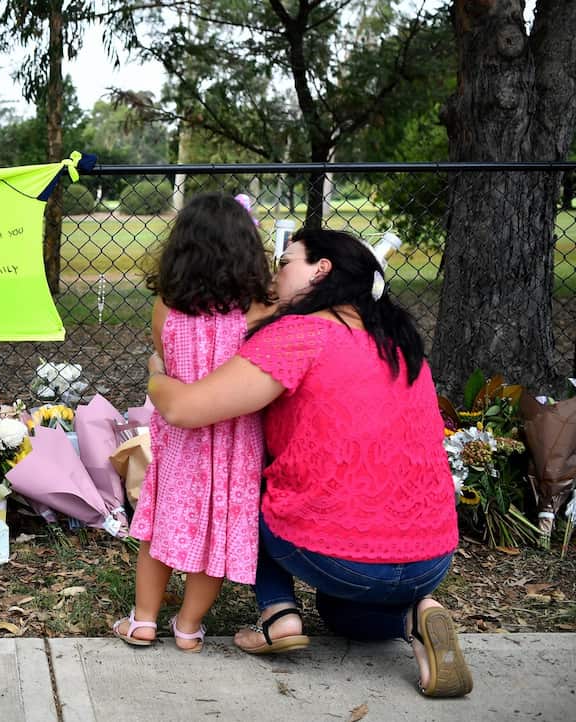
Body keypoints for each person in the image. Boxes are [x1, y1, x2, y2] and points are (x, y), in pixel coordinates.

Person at [147, 228, 472, 697]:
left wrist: (157, 374)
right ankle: (415, 615)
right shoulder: (400, 343)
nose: (275, 273)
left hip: (340, 555)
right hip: (431, 555)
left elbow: (185, 409)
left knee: (244, 480)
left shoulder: (298, 335)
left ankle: (277, 612)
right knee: (342, 615)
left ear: (321, 270)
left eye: (286, 262)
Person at [112, 193, 274, 651]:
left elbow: (162, 358)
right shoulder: (259, 310)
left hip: (182, 438)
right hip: (237, 440)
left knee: (160, 527)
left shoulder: (167, 305)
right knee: (215, 532)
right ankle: (187, 627)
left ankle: (144, 621)